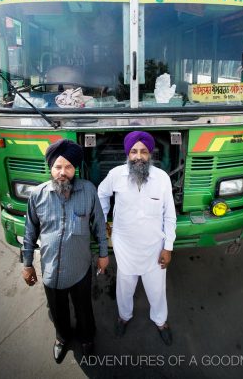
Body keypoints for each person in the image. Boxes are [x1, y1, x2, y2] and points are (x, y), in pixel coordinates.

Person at [22, 139, 109, 363]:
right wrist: (27, 263)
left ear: (75, 169)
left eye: (68, 167)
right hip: (50, 268)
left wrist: (103, 255)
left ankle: (87, 338)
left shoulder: (88, 190)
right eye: (58, 167)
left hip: (80, 267)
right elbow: (30, 231)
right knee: (57, 309)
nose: (63, 172)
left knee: (83, 308)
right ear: (50, 168)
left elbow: (99, 224)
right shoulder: (38, 195)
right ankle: (62, 338)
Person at [98, 131, 176, 346]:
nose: (138, 156)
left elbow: (169, 215)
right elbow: (102, 193)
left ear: (150, 154)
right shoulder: (116, 175)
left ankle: (160, 321)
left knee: (157, 289)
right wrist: (103, 218)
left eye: (143, 151)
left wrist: (167, 247)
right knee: (125, 286)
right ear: (128, 154)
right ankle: (124, 316)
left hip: (154, 247)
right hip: (125, 245)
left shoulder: (162, 179)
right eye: (134, 151)